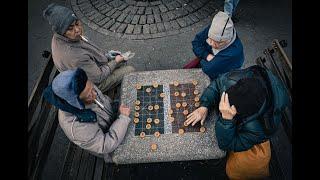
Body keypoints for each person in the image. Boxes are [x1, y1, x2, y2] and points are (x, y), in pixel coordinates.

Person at [185, 65, 289, 179]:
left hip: (255, 130)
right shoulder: (235, 79)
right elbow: (217, 84)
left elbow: (226, 144)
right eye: (224, 101)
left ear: (242, 115)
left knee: (238, 170)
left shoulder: (261, 129)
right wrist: (204, 105)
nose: (221, 107)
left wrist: (226, 120)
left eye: (227, 108)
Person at [43, 3, 135, 93]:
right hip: (90, 86)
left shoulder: (61, 37)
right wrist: (115, 62)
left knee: (122, 61)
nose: (77, 30)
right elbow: (98, 78)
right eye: (70, 28)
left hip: (89, 70)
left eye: (76, 23)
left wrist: (107, 55)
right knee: (130, 70)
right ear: (62, 32)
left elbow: (90, 51)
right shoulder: (75, 56)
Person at [43, 68, 131, 162]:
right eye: (88, 95)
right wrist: (123, 119)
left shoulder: (86, 87)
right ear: (75, 102)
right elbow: (105, 145)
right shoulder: (75, 126)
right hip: (111, 147)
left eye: (92, 88)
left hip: (115, 122)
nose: (94, 94)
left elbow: (105, 102)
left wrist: (117, 108)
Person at [191, 11, 244, 80]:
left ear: (227, 41)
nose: (211, 44)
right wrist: (207, 55)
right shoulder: (215, 29)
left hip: (222, 77)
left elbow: (208, 69)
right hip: (212, 65)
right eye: (210, 39)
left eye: (218, 43)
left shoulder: (233, 53)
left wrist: (202, 54)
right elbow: (196, 43)